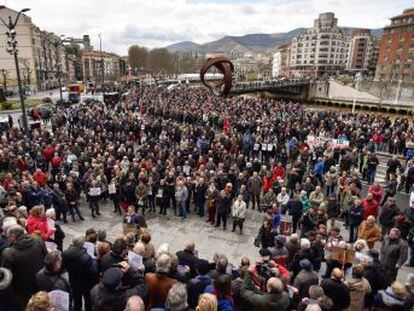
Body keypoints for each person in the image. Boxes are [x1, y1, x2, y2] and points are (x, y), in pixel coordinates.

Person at [1, 225, 47, 310]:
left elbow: (6, 281)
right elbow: (46, 260)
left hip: (22, 294)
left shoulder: (9, 254)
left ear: (13, 237)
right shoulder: (38, 241)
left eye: (8, 237)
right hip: (40, 287)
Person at [62, 235, 98, 311]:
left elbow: (63, 266)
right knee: (88, 301)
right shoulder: (86, 257)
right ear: (82, 244)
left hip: (73, 280)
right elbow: (92, 272)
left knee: (76, 300)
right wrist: (94, 261)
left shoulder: (65, 253)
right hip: (86, 283)